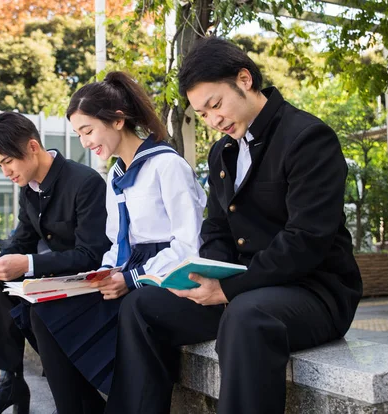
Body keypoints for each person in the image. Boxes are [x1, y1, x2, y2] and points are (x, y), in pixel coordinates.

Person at [104, 37, 363, 414]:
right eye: (204, 114)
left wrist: (229, 288)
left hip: (314, 291)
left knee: (246, 317)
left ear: (244, 80)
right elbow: (217, 229)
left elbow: (307, 239)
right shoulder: (222, 151)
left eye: (215, 105)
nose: (214, 120)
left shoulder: (307, 138)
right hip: (243, 286)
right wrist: (202, 274)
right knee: (142, 306)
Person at [29, 71, 207, 414]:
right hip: (129, 270)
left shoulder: (166, 166)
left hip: (167, 274)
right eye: (79, 134)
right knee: (44, 310)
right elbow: (117, 242)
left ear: (118, 120)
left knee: (131, 309)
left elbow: (189, 244)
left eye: (88, 130)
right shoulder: (116, 175)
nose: (84, 142)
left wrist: (130, 279)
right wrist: (104, 273)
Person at [0, 111, 111, 414]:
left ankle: (70, 401)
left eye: (8, 162)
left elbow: (93, 255)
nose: (5, 172)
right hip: (59, 279)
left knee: (39, 311)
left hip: (92, 281)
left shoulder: (84, 182)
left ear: (33, 147)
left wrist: (27, 264)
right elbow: (20, 241)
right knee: (2, 285)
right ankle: (10, 382)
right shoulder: (29, 190)